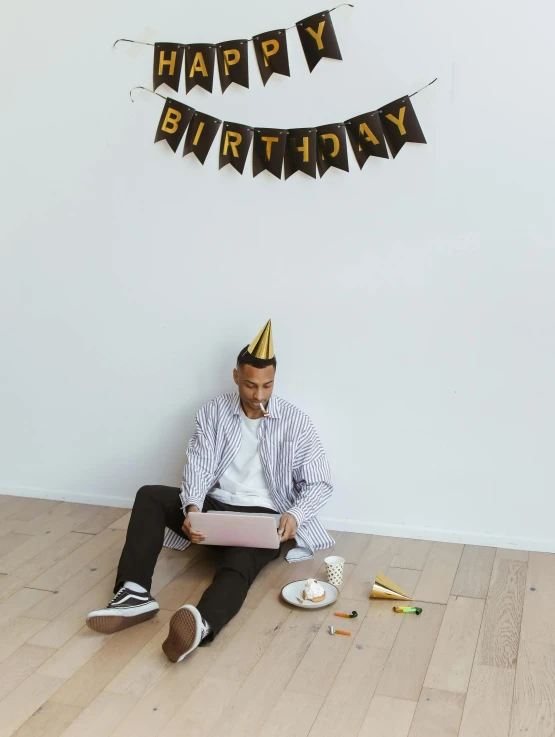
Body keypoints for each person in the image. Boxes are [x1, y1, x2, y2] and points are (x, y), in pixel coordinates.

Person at [86, 320, 333, 663]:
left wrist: (296, 515)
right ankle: (133, 594)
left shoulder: (296, 422)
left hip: (267, 515)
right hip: (216, 507)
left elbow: (319, 482)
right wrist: (192, 508)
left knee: (239, 564)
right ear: (235, 377)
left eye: (267, 386)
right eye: (249, 385)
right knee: (150, 495)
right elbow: (199, 466)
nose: (258, 395)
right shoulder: (213, 413)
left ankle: (200, 624)